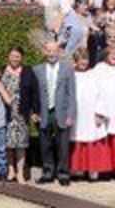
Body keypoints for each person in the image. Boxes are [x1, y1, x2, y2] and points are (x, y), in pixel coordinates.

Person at [32, 40, 77, 186]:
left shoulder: (67, 69)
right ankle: (48, 172)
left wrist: (71, 115)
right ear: (44, 52)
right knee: (45, 145)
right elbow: (34, 94)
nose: (51, 54)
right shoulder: (37, 70)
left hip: (61, 113)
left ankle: (63, 173)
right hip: (44, 113)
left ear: (59, 52)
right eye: (49, 51)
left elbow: (71, 94)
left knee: (62, 145)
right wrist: (34, 112)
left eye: (54, 51)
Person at [69, 48, 109, 180]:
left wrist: (100, 113)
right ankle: (78, 170)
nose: (83, 62)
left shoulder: (94, 75)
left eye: (85, 59)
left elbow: (102, 94)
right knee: (78, 141)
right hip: (77, 115)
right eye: (80, 59)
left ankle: (93, 170)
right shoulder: (70, 75)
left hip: (91, 114)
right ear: (75, 61)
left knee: (92, 141)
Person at [2, 46, 39, 183]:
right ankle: (11, 169)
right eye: (12, 56)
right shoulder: (1, 71)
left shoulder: (28, 71)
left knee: (21, 144)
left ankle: (20, 172)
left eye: (17, 56)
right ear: (8, 56)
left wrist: (35, 111)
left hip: (22, 113)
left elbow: (35, 93)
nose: (15, 58)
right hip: (5, 113)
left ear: (21, 57)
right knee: (8, 143)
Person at [93, 46, 115, 173]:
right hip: (102, 108)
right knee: (103, 139)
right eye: (111, 53)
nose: (114, 56)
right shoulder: (99, 68)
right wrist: (97, 109)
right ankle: (105, 169)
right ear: (106, 54)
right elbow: (93, 88)